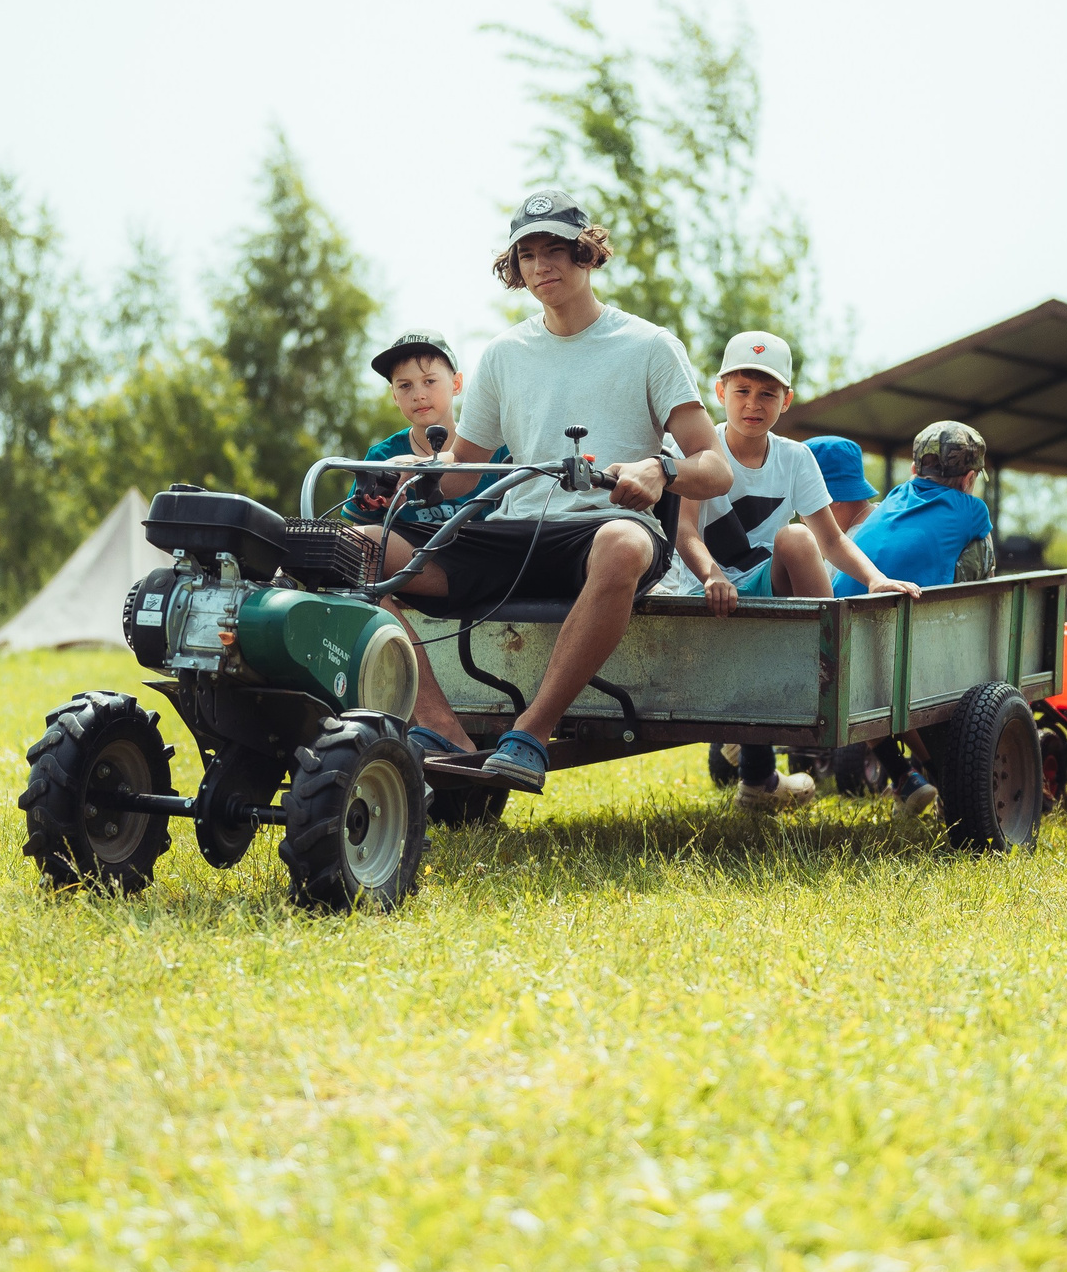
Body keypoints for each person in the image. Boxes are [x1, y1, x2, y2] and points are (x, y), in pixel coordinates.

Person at [379, 188, 733, 794]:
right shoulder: (503, 354)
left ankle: (530, 735)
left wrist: (660, 471)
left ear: (588, 253)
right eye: (527, 254)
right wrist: (422, 474)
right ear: (513, 267)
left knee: (623, 542)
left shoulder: (650, 346)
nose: (542, 265)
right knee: (351, 551)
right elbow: (467, 469)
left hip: (604, 535)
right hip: (516, 536)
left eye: (557, 250)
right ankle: (444, 731)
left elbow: (716, 467)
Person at [670, 333, 919, 812]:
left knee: (798, 537)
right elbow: (684, 532)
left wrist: (874, 580)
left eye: (767, 394)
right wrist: (711, 577)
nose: (752, 404)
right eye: (742, 391)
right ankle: (774, 760)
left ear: (785, 401)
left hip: (767, 586)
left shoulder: (795, 457)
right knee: (788, 542)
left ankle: (825, 673)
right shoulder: (701, 452)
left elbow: (832, 540)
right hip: (707, 588)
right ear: (720, 393)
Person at [831, 421, 996, 818]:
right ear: (970, 477)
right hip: (904, 637)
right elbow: (985, 567)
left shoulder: (893, 497)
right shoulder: (972, 508)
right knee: (898, 681)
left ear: (912, 471)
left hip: (837, 628)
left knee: (871, 683)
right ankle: (947, 779)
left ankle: (906, 779)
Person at [338, 330, 510, 531]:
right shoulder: (381, 456)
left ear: (456, 383)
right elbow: (363, 542)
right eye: (405, 386)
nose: (418, 395)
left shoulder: (494, 447)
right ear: (394, 395)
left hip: (482, 553)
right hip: (411, 559)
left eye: (429, 381)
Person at [805, 436, 881, 536]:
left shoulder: (855, 544)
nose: (803, 518)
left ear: (831, 496)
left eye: (806, 504)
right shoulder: (888, 515)